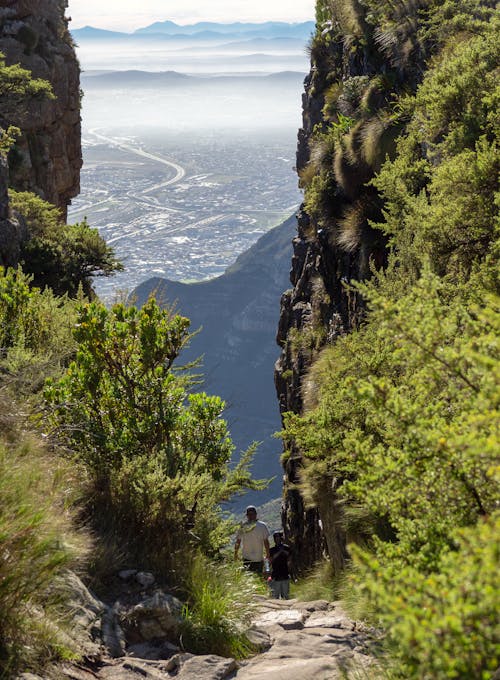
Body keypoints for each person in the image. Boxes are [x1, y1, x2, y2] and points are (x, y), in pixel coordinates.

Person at [234, 505, 270, 574]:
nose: (251, 516)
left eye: (251, 514)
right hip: (257, 558)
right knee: (258, 578)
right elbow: (266, 542)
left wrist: (235, 554)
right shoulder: (262, 525)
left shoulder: (243, 526)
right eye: (250, 514)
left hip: (247, 558)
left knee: (249, 578)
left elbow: (238, 541)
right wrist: (268, 554)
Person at [269, 530, 290, 599]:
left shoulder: (286, 547)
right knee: (276, 596)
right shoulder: (272, 549)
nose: (277, 540)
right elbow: (271, 559)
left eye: (278, 538)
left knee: (286, 595)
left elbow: (289, 557)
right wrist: (279, 552)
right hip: (276, 574)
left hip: (285, 573)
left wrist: (283, 551)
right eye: (276, 538)